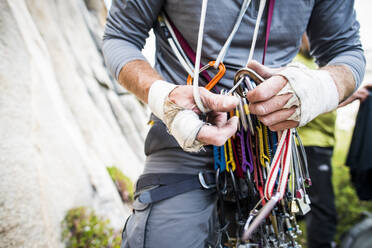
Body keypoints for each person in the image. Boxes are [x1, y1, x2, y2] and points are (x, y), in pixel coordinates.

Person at [102, 1, 365, 247]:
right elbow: (120, 36)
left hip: (270, 163)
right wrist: (164, 98)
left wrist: (317, 89)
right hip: (181, 145)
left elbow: (346, 52)